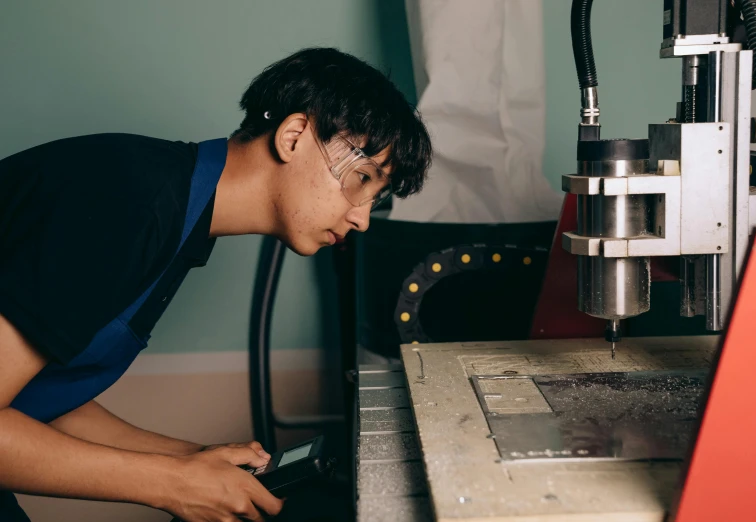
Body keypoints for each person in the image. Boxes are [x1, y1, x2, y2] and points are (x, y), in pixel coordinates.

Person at [0, 47, 432, 521]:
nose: (363, 219)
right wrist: (170, 484)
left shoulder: (174, 209)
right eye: (361, 178)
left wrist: (187, 458)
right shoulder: (129, 200)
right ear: (294, 136)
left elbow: (36, 393)